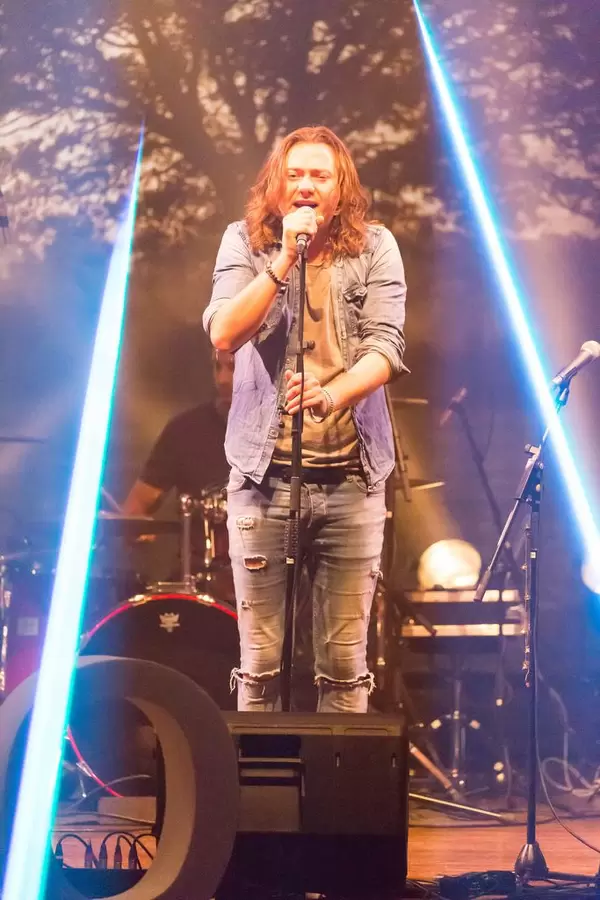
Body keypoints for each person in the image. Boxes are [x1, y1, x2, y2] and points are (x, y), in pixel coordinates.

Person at [203, 125, 408, 713]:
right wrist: (282, 262)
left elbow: (386, 347)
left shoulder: (375, 247)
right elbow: (223, 331)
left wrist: (334, 393)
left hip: (351, 480)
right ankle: (257, 804)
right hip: (263, 481)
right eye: (295, 175)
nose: (306, 186)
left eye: (320, 176)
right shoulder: (243, 242)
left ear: (340, 189)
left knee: (345, 671)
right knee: (260, 669)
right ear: (276, 186)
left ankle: (339, 807)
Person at [122, 348, 234, 517]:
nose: (222, 379)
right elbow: (136, 507)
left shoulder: (282, 431)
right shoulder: (185, 430)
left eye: (234, 367)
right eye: (217, 367)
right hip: (203, 543)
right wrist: (134, 525)